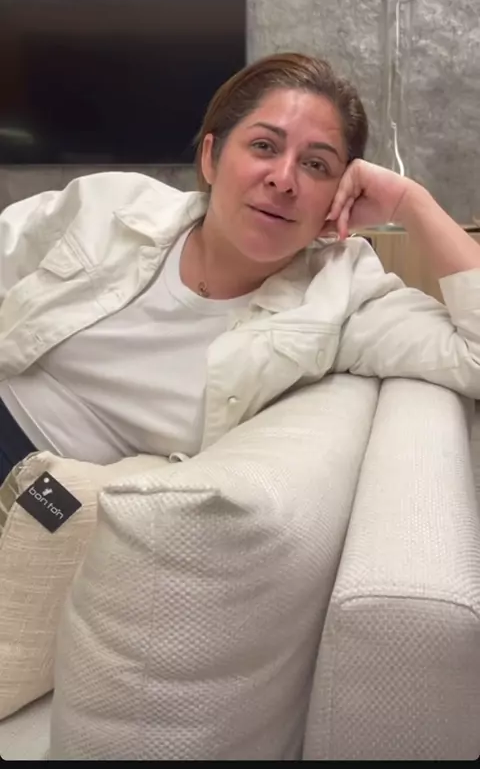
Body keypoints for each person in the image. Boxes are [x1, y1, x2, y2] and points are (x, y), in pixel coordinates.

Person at [1, 51, 480, 486]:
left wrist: (410, 201)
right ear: (211, 158)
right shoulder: (114, 204)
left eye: (316, 165)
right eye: (265, 146)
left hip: (41, 491)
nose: (284, 179)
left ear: (340, 195)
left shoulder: (341, 298)